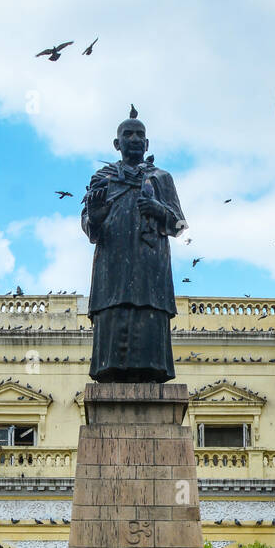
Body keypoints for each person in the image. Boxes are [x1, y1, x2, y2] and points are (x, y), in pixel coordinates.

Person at [82, 106, 187, 382]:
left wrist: (157, 207)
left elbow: (179, 225)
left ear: (147, 143)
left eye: (140, 134)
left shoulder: (161, 178)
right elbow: (89, 226)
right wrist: (95, 214)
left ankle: (151, 373)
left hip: (151, 268)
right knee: (114, 318)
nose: (135, 139)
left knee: (149, 317)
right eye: (128, 134)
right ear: (117, 144)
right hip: (113, 268)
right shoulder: (102, 178)